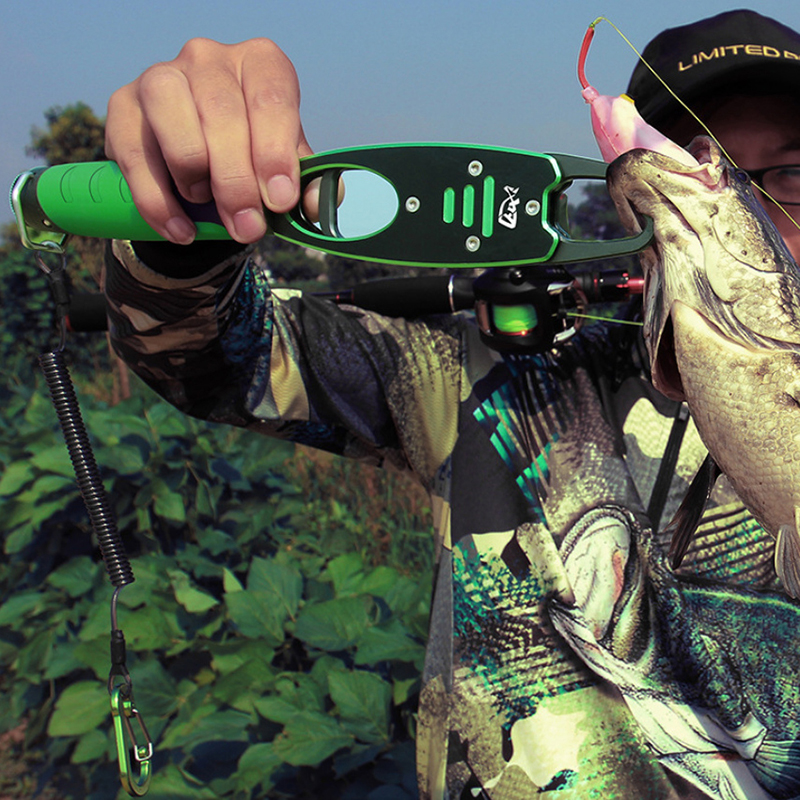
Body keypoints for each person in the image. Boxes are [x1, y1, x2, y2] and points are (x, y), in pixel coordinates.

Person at [102, 9, 800, 800]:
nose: (759, 210)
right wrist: (185, 222)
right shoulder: (493, 378)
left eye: (794, 175)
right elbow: (214, 358)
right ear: (632, 204)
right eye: (700, 163)